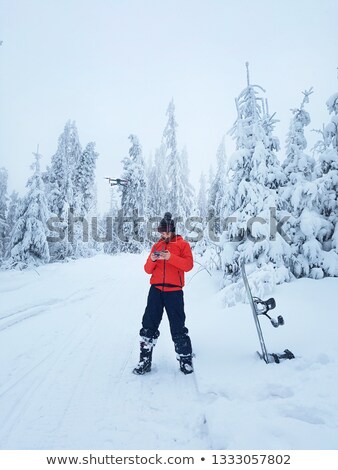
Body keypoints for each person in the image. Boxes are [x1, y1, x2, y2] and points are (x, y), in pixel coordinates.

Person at [133, 212, 194, 375]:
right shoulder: (156, 246)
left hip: (174, 292)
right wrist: (153, 259)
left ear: (173, 230)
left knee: (178, 327)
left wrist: (170, 257)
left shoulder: (183, 245)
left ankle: (185, 360)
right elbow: (147, 270)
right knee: (148, 325)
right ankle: (144, 361)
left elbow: (188, 265)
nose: (163, 234)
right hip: (156, 291)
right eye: (161, 232)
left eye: (166, 231)